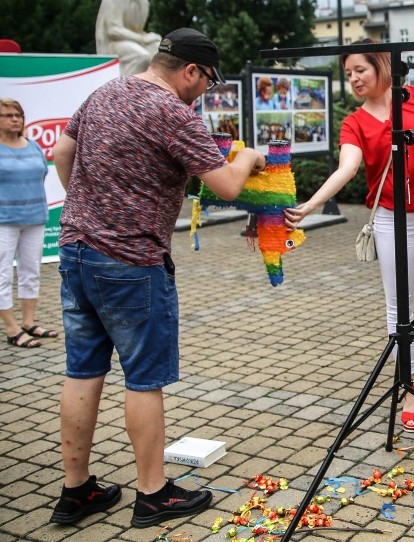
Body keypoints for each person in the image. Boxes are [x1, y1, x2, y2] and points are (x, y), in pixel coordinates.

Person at [50, 28, 266, 528]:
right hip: (130, 263)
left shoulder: (105, 92)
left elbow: (63, 153)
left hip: (76, 251)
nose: (203, 91)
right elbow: (228, 186)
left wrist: (91, 210)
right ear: (191, 70)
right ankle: (153, 494)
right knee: (144, 379)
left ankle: (76, 490)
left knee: (82, 370)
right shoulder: (172, 112)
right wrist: (249, 157)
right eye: (207, 81)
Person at [284, 39, 414, 432]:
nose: (353, 79)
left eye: (359, 71)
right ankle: (410, 387)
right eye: (348, 74)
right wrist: (309, 206)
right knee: (400, 307)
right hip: (391, 218)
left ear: (381, 66)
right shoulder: (355, 123)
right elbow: (346, 170)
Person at [0, 98, 55, 349]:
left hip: (34, 218)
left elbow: (41, 176)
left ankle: (29, 322)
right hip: (4, 221)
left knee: (30, 271)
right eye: (8, 115)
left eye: (18, 115)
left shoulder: (33, 146)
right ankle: (11, 327)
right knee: (2, 275)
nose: (15, 119)